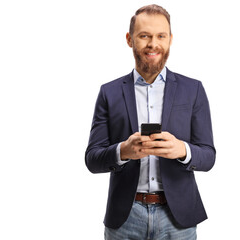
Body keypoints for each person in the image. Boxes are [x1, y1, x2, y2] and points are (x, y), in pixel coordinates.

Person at [85, 4, 216, 240]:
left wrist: (182, 150)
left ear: (170, 40)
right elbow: (92, 159)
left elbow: (208, 156)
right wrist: (122, 151)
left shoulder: (193, 89)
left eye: (160, 36)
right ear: (129, 39)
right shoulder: (109, 92)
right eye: (144, 35)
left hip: (178, 219)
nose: (152, 44)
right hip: (125, 217)